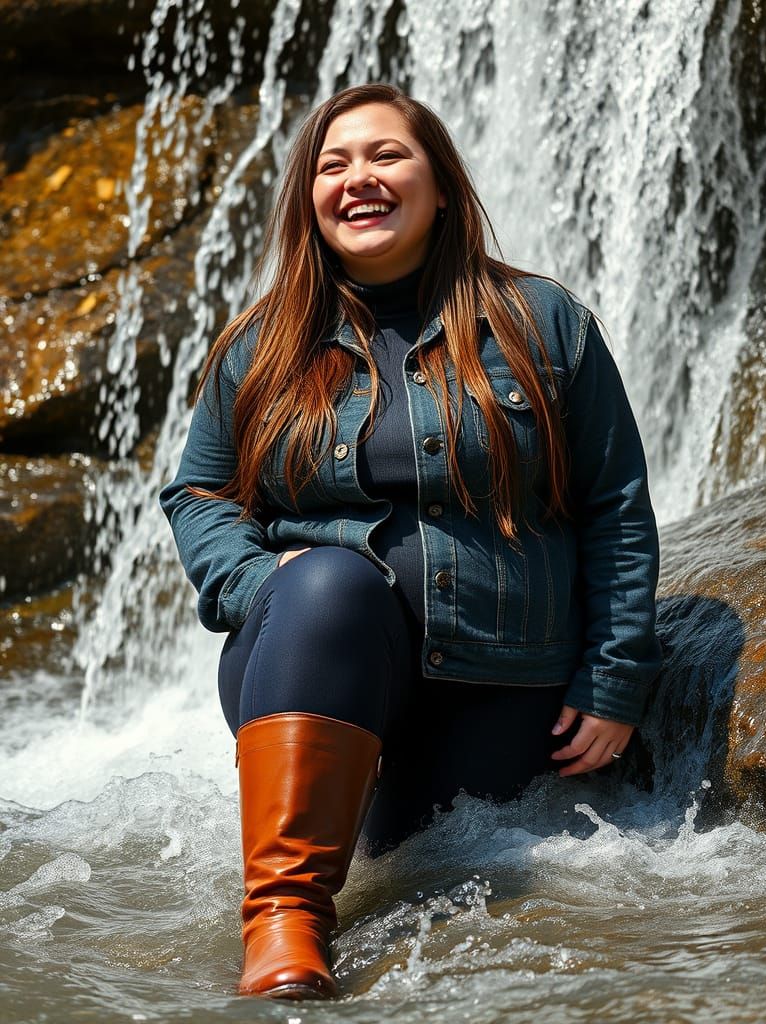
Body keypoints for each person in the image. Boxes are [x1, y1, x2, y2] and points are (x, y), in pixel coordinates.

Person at [159, 83, 662, 1001]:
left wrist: (616, 677)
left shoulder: (544, 322)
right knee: (327, 585)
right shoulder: (261, 344)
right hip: (316, 666)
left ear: (441, 185)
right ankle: (284, 925)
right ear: (309, 197)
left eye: (388, 156)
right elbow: (199, 491)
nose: (360, 178)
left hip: (506, 686)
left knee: (436, 884)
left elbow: (615, 503)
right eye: (333, 162)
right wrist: (254, 582)